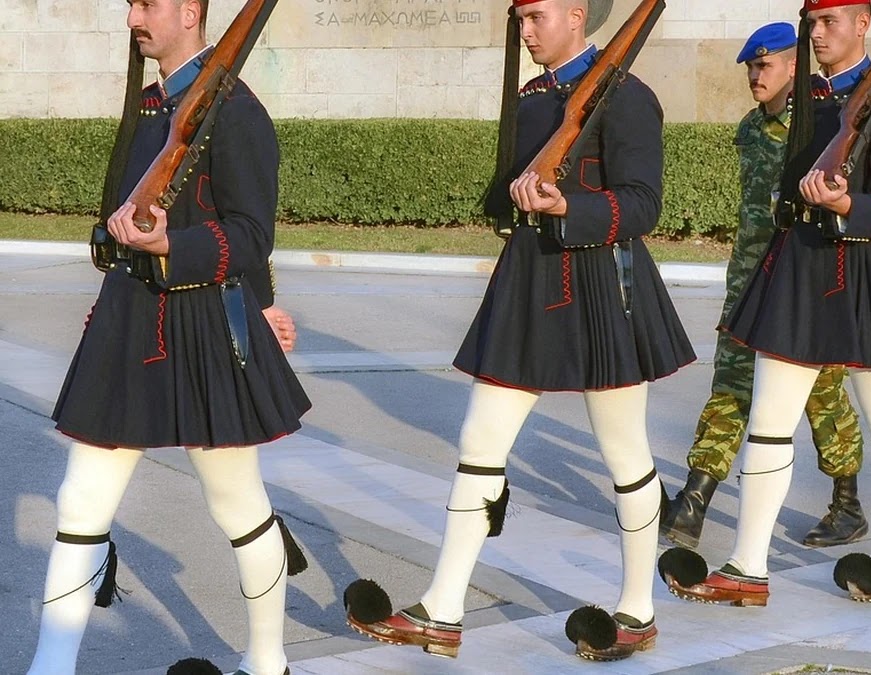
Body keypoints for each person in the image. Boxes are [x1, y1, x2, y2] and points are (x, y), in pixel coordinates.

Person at [343, 0, 694, 662]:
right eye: (521, 18)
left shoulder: (626, 95)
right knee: (480, 439)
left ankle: (639, 610)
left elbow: (644, 202)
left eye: (536, 17)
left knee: (623, 450)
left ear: (575, 14)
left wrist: (572, 205)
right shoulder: (534, 96)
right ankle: (443, 609)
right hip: (532, 278)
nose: (525, 31)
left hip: (602, 284)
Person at [27, 1, 311, 674]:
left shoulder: (235, 110)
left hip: (203, 320)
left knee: (237, 501)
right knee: (81, 499)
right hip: (132, 318)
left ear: (190, 11)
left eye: (147, 4)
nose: (133, 18)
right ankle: (51, 665)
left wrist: (176, 248)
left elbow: (249, 233)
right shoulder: (154, 105)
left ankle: (268, 662)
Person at [660, 0, 871, 606]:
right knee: (769, 423)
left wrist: (850, 205)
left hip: (866, 272)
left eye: (830, 22)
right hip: (799, 269)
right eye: (812, 23)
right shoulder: (807, 104)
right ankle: (747, 567)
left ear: (863, 24)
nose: (818, 34)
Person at [661, 21, 868, 552]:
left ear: (793, 67)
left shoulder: (821, 125)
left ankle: (847, 502)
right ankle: (694, 498)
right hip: (749, 280)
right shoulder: (751, 129)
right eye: (751, 66)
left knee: (822, 393)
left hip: (802, 283)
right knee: (730, 382)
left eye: (765, 65)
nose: (755, 75)